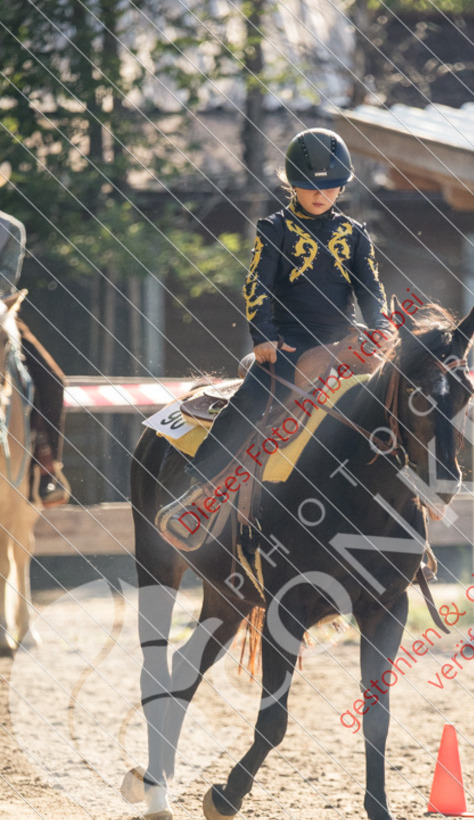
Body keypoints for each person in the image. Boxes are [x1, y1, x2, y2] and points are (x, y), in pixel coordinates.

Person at [158, 127, 391, 548]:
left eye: (331, 186)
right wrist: (262, 336)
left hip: (343, 341)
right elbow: (257, 288)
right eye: (309, 186)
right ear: (291, 184)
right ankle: (199, 491)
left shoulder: (355, 234)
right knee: (252, 400)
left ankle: (406, 511)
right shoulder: (274, 228)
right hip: (288, 343)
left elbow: (370, 290)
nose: (321, 195)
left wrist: (382, 329)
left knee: (395, 399)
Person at [0, 170, 70, 507]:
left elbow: (5, 282)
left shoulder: (9, 228)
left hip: (0, 313)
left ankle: (46, 469)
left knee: (51, 379)